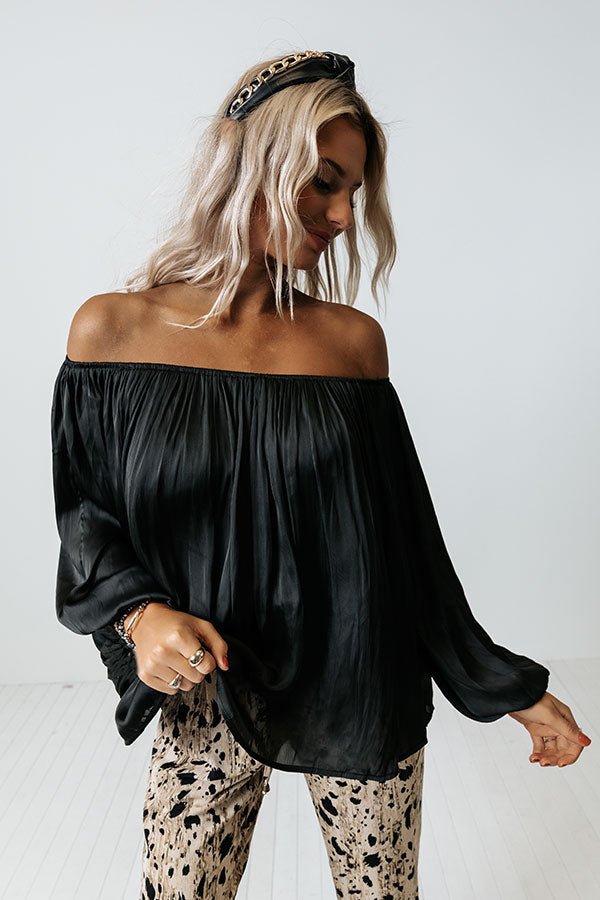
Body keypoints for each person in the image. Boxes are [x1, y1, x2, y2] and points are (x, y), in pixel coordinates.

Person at [50, 50, 591, 900]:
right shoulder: (111, 333)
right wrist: (140, 616)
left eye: (353, 193)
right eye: (323, 183)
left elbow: (405, 546)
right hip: (210, 691)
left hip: (360, 685)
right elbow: (86, 520)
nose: (341, 215)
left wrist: (505, 686)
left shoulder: (350, 346)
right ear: (250, 164)